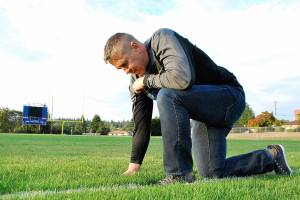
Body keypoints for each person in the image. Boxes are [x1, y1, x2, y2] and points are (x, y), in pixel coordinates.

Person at [103, 28, 292, 184]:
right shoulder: (136, 79)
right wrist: (133, 166)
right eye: (121, 69)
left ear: (135, 46)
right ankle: (271, 156)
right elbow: (141, 124)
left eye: (125, 64)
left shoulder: (162, 38)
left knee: (167, 95)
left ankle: (179, 174)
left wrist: (147, 81)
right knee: (211, 172)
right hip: (203, 113)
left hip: (228, 96)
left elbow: (181, 79)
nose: (126, 71)